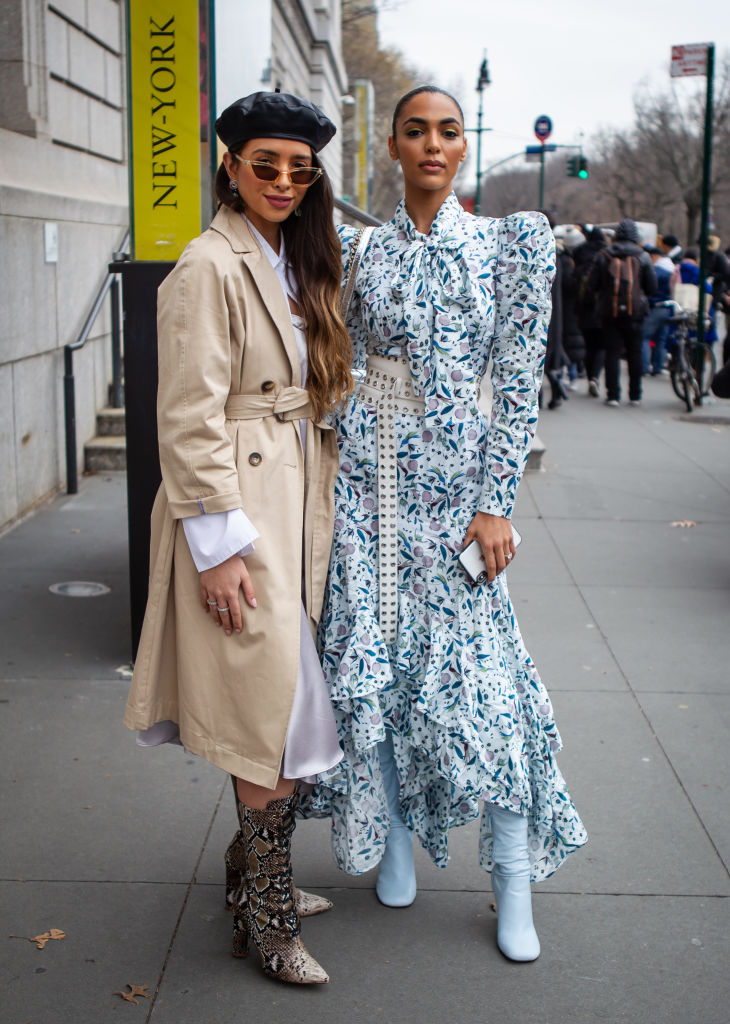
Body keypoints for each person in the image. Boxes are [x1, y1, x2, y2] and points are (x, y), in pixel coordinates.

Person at [302, 86, 587, 963]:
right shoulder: (356, 251)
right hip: (372, 495)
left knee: (488, 699)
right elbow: (335, 364)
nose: (433, 144)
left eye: (449, 131)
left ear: (464, 148)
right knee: (377, 682)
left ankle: (510, 880)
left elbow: (516, 383)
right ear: (392, 144)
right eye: (416, 130)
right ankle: (391, 842)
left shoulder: (510, 246)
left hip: (460, 505)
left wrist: (497, 500)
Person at [123, 90, 353, 986]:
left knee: (283, 707)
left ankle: (247, 875)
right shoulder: (206, 264)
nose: (284, 182)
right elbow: (184, 417)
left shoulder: (295, 256)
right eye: (266, 165)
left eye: (300, 169)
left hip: (295, 497)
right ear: (230, 166)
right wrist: (215, 549)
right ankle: (265, 914)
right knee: (277, 716)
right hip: (240, 513)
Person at [589, 218, 657, 406]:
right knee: (634, 352)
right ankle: (635, 394)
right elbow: (652, 287)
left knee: (612, 352)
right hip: (635, 311)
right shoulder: (642, 256)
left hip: (609, 311)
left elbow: (592, 285)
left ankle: (613, 395)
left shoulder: (604, 254)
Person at [573, 226, 608, 395]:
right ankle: (595, 376)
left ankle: (589, 377)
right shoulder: (607, 253)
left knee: (589, 345)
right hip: (603, 305)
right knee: (601, 345)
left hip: (584, 304)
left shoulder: (580, 251)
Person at [641, 245, 676, 375]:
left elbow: (650, 289)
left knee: (644, 336)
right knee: (661, 339)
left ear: (653, 257)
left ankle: (644, 366)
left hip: (656, 307)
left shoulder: (656, 270)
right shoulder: (671, 269)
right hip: (668, 308)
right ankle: (658, 366)